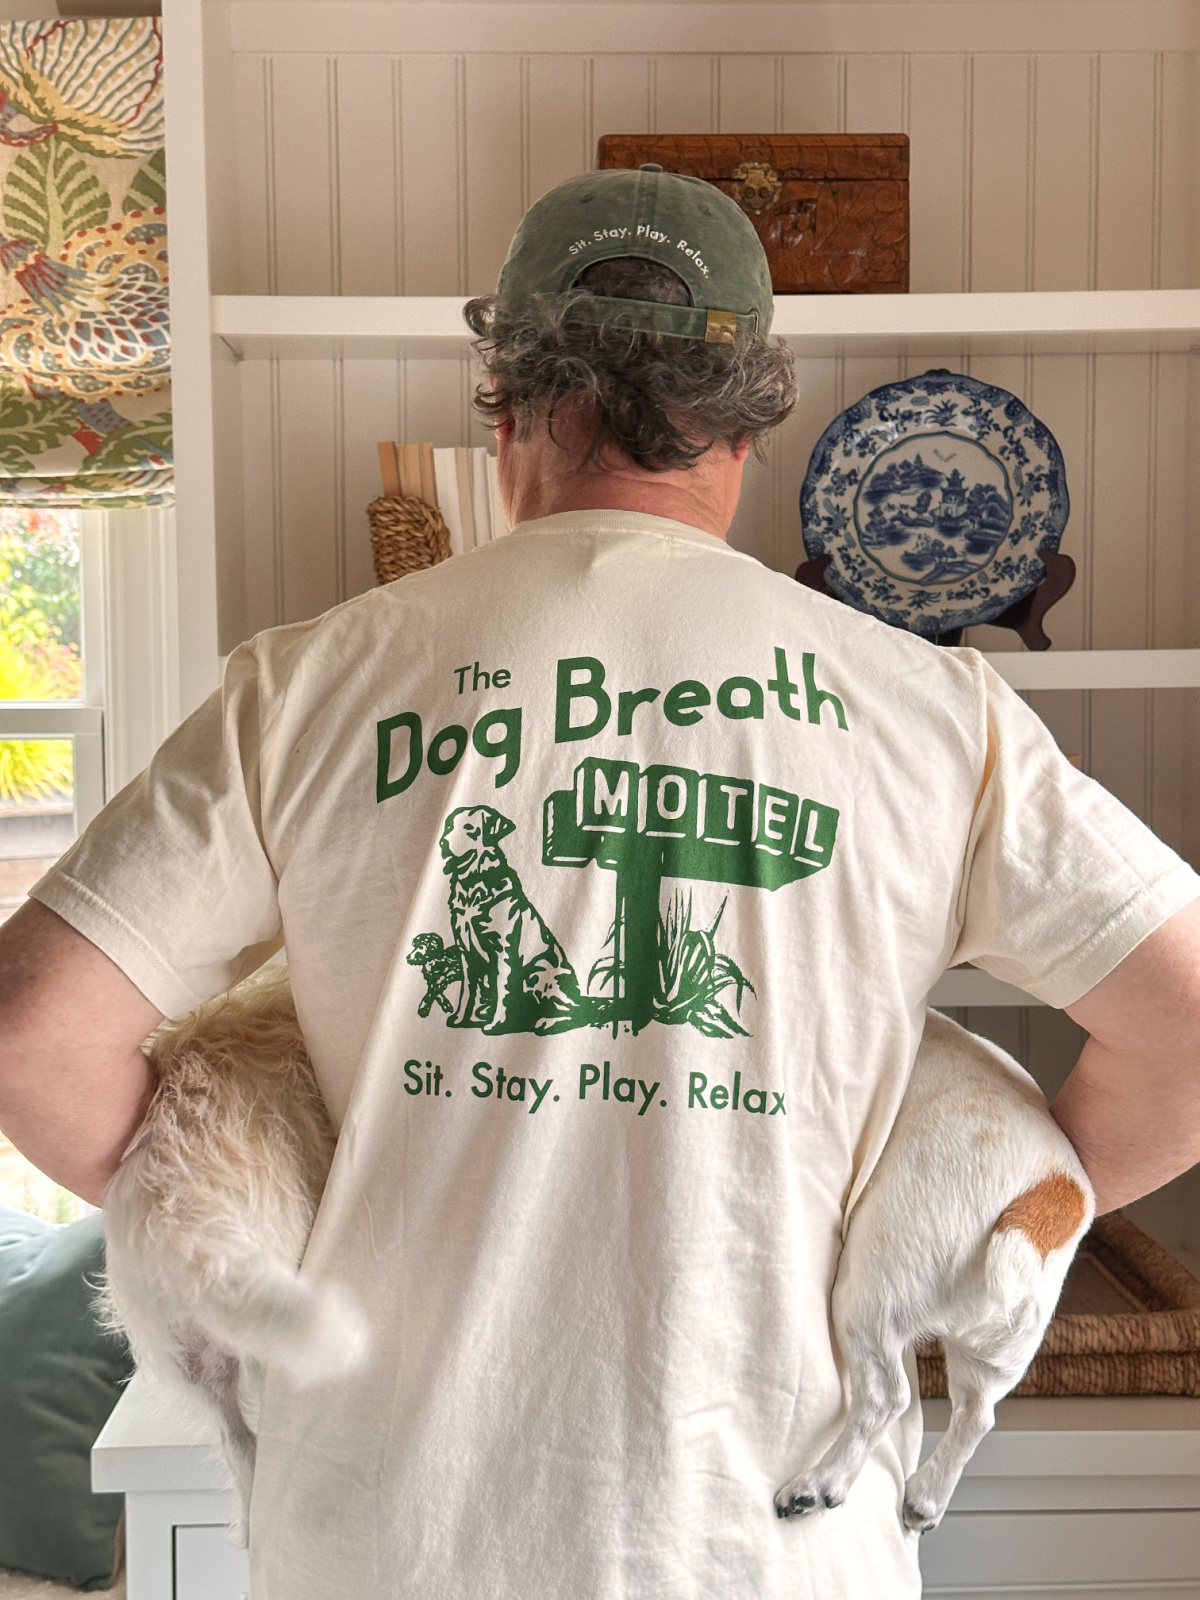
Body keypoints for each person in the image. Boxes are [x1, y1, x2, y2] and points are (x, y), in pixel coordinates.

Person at [2, 165, 1200, 1600]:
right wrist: (947, 1259)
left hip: (387, 1533)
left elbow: (35, 1041)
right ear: (751, 425)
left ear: (502, 402)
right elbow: (1185, 1022)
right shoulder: (934, 712)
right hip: (766, 1544)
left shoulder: (313, 682)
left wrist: (297, 1224)